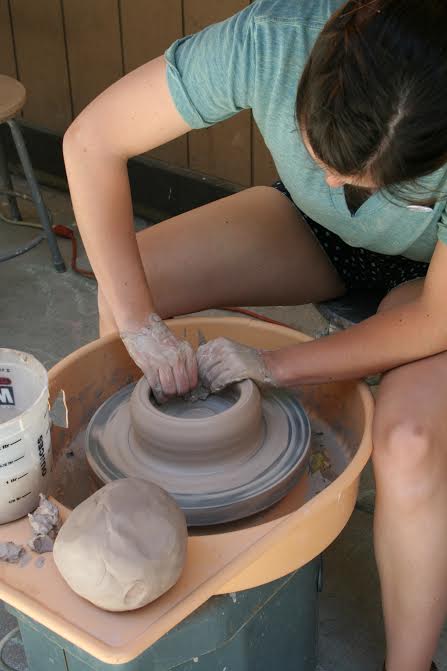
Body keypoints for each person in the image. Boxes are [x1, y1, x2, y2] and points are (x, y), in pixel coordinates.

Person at [62, 1, 447, 669]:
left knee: (409, 441)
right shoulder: (273, 38)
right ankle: (142, 525)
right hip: (313, 229)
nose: (330, 178)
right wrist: (137, 323)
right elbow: (91, 141)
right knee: (136, 278)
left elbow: (434, 318)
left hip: (426, 279)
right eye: (315, 151)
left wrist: (281, 364)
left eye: (372, 180)